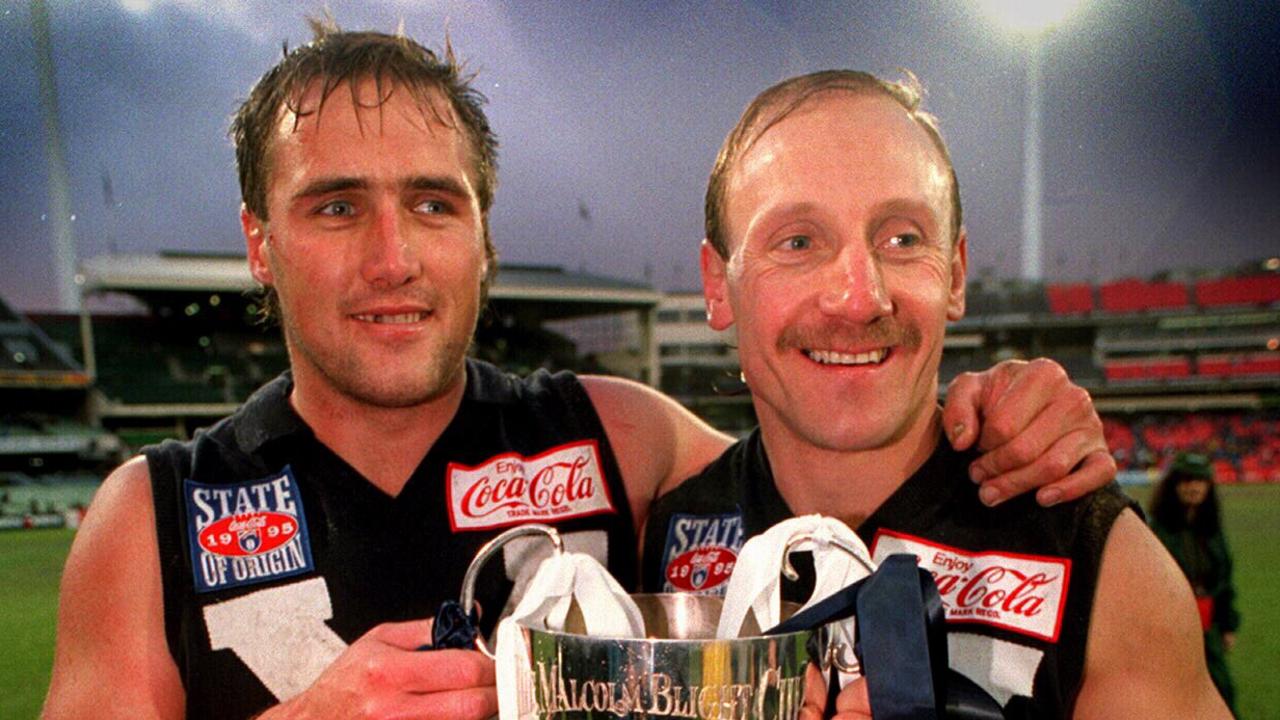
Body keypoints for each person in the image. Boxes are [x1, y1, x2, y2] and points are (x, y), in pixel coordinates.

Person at [42, 27, 1115, 720]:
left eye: (432, 203)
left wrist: (1001, 407)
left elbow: (845, 441)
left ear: (483, 240)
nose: (392, 257)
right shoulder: (149, 517)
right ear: (258, 242)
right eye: (334, 206)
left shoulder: (621, 439)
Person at [641, 70, 1231, 718]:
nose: (860, 298)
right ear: (717, 285)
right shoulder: (648, 540)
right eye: (799, 242)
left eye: (902, 239)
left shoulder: (1106, 567)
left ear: (955, 274)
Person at [1149, 452, 1240, 714]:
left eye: (1200, 481)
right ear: (1174, 486)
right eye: (1186, 481)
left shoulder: (1212, 531)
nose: (1193, 487)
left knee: (1221, 686)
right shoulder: (1156, 530)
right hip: (1169, 623)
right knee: (1170, 689)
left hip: (1207, 620)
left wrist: (1227, 625)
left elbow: (1224, 581)